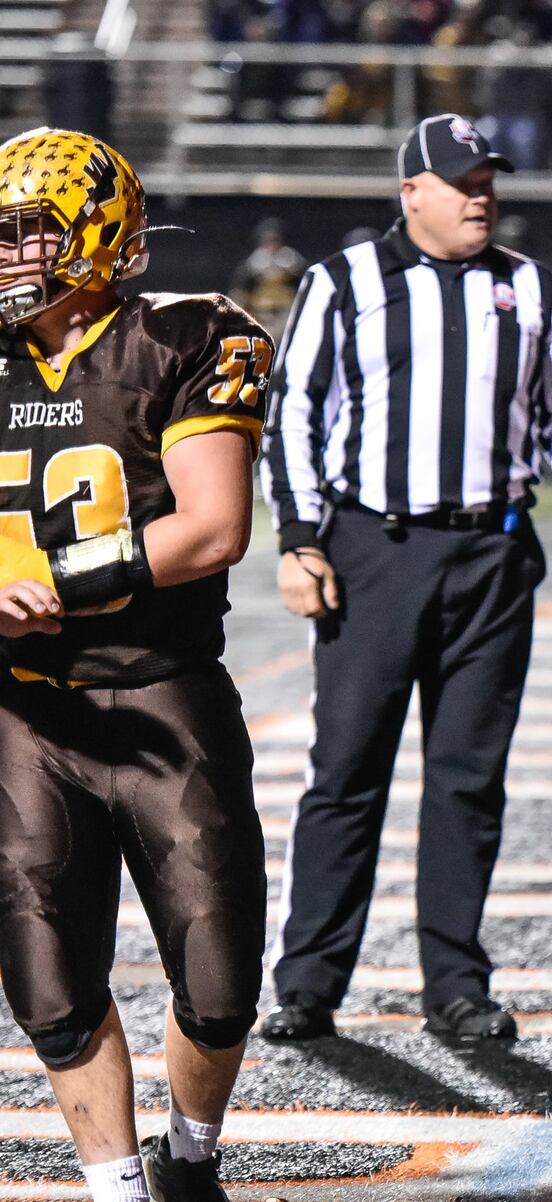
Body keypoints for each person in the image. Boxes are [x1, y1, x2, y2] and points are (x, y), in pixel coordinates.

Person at [257, 113, 552, 1045]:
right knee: (347, 769)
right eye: (462, 181)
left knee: (468, 776)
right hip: (374, 551)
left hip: (492, 555)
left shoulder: (535, 287)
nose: (481, 195)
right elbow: (294, 418)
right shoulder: (341, 283)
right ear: (412, 192)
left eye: (488, 180)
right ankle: (309, 981)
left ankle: (456, 987)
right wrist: (301, 541)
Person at [0, 128, 272, 1198]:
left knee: (218, 977)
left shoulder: (188, 334)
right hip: (23, 707)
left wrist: (52, 583)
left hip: (162, 689)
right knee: (49, 978)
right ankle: (115, 1188)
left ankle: (190, 1156)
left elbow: (212, 527)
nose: (12, 253)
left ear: (98, 234)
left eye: (30, 232)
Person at [228, 218, 308, 341]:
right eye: (268, 241)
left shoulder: (293, 262)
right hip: (261, 313)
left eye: (275, 241)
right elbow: (240, 293)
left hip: (286, 312)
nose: (272, 245)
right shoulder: (252, 265)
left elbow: (305, 289)